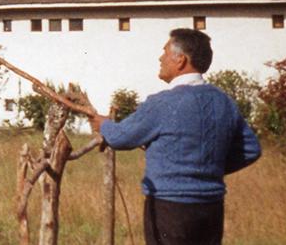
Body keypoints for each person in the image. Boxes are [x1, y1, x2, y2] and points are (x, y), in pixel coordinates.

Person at [89, 28, 261, 245]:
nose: (161, 58)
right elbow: (252, 149)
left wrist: (104, 125)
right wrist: (208, 167)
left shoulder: (163, 103)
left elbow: (121, 137)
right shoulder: (223, 101)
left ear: (180, 60)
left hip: (170, 208)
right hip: (212, 207)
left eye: (165, 52)